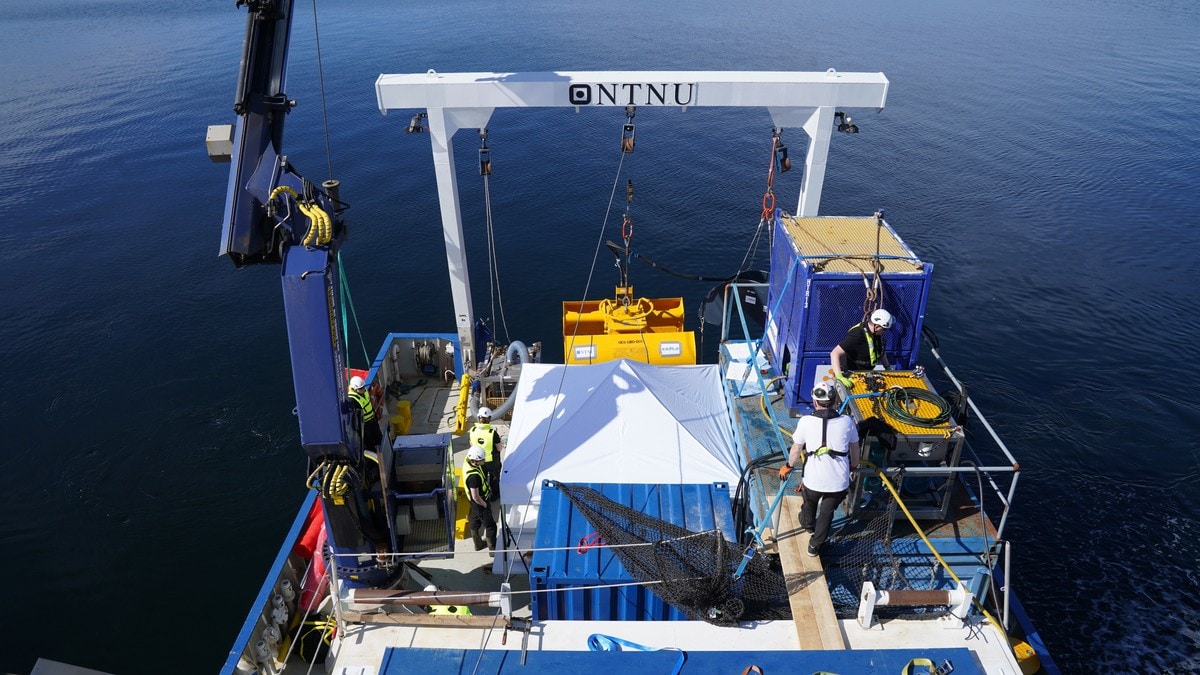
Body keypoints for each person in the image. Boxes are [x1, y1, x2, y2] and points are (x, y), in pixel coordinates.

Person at [778, 380, 860, 557]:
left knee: (810, 502)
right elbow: (855, 448)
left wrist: (788, 466)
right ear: (835, 401)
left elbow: (796, 449)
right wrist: (854, 464)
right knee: (827, 513)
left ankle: (808, 525)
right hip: (838, 481)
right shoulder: (847, 421)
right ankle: (814, 546)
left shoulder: (806, 421)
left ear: (815, 402)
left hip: (813, 480)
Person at [830, 308, 893, 387]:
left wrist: (887, 367)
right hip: (852, 375)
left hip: (865, 374)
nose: (884, 331)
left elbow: (880, 351)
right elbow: (835, 353)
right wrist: (839, 376)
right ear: (877, 326)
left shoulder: (876, 334)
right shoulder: (857, 334)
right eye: (884, 329)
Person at [463, 446, 497, 552]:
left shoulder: (467, 462)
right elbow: (476, 496)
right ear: (475, 461)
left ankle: (477, 544)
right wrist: (484, 504)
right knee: (491, 526)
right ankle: (492, 549)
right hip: (480, 503)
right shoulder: (474, 478)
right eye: (482, 459)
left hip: (473, 503)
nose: (484, 461)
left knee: (476, 520)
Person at [469, 407, 503, 500]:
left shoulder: (472, 430)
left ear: (478, 417)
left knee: (481, 478)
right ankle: (494, 495)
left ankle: (482, 494)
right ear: (489, 418)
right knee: (495, 478)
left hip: (478, 461)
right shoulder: (492, 432)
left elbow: (471, 444)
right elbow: (499, 448)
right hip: (492, 461)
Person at [348, 375, 382, 454]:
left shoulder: (364, 392)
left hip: (372, 420)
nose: (363, 389)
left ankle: (383, 452)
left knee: (379, 438)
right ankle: (374, 462)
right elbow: (355, 417)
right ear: (355, 389)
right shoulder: (352, 399)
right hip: (365, 426)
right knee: (370, 444)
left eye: (363, 387)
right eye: (361, 388)